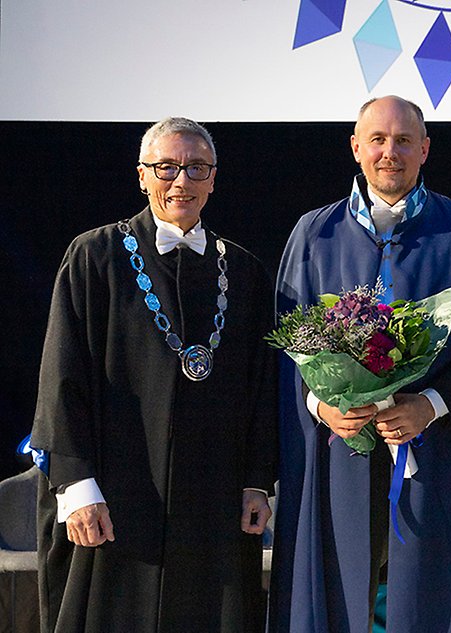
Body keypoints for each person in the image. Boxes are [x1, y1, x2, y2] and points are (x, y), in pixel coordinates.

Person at [270, 95, 451, 633]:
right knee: (339, 598)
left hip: (439, 456)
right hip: (340, 458)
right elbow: (288, 355)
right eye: (377, 140)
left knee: (433, 600)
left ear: (425, 149)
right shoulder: (314, 235)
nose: (390, 152)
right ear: (356, 147)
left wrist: (430, 404)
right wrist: (322, 405)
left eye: (404, 140)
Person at [30, 117, 278, 633]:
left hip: (213, 500)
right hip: (115, 500)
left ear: (214, 179)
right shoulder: (93, 256)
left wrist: (257, 481)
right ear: (142, 175)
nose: (181, 181)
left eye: (196, 168)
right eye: (167, 167)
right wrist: (75, 486)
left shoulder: (247, 272)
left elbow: (261, 388)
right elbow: (61, 374)